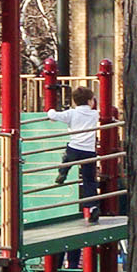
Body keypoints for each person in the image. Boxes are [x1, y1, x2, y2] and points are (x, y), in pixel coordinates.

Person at [46, 85, 102, 221]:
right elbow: (102, 114)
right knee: (89, 180)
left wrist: (51, 110)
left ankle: (63, 171)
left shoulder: (71, 113)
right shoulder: (95, 114)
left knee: (67, 158)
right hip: (89, 152)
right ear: (90, 101)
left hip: (74, 148)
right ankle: (93, 207)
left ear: (75, 102)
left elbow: (52, 115)